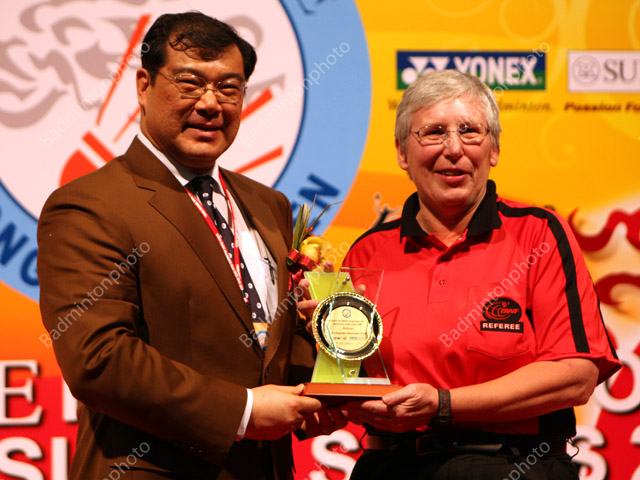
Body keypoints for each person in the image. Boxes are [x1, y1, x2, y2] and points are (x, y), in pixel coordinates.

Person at [37, 11, 338, 480]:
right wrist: (242, 412)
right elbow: (98, 358)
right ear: (143, 86)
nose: (210, 104)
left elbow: (268, 345)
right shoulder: (90, 205)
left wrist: (322, 391)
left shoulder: (267, 204)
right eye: (190, 83)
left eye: (229, 88)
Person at [341, 69, 621, 479]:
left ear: (494, 149)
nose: (453, 148)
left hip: (513, 465)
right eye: (434, 132)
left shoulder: (539, 234)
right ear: (402, 152)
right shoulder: (367, 251)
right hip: (391, 466)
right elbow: (343, 379)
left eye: (470, 131)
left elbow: (575, 375)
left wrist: (444, 404)